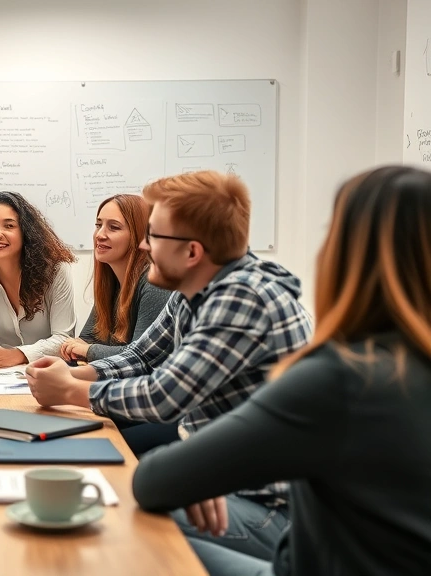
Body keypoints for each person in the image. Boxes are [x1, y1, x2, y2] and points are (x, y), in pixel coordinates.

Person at [133, 166, 431, 576]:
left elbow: (153, 481)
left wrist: (195, 473)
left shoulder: (341, 377)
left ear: (341, 255)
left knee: (138, 536)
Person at [25, 170, 311, 560]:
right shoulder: (198, 285)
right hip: (220, 480)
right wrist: (71, 374)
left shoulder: (243, 297)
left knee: (113, 514)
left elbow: (163, 396)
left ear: (192, 251)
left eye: (153, 235)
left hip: (269, 510)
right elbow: (143, 355)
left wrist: (73, 391)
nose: (143, 245)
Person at [0, 192, 76, 369]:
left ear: (26, 233)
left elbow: (64, 339)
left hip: (53, 372)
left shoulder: (56, 271)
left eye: (9, 226)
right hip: (7, 377)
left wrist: (19, 354)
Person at [58, 194, 171, 363]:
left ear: (139, 235)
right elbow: (87, 339)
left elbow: (142, 356)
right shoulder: (111, 283)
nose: (100, 235)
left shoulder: (154, 284)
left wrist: (88, 350)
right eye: (98, 225)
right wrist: (77, 346)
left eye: (114, 227)